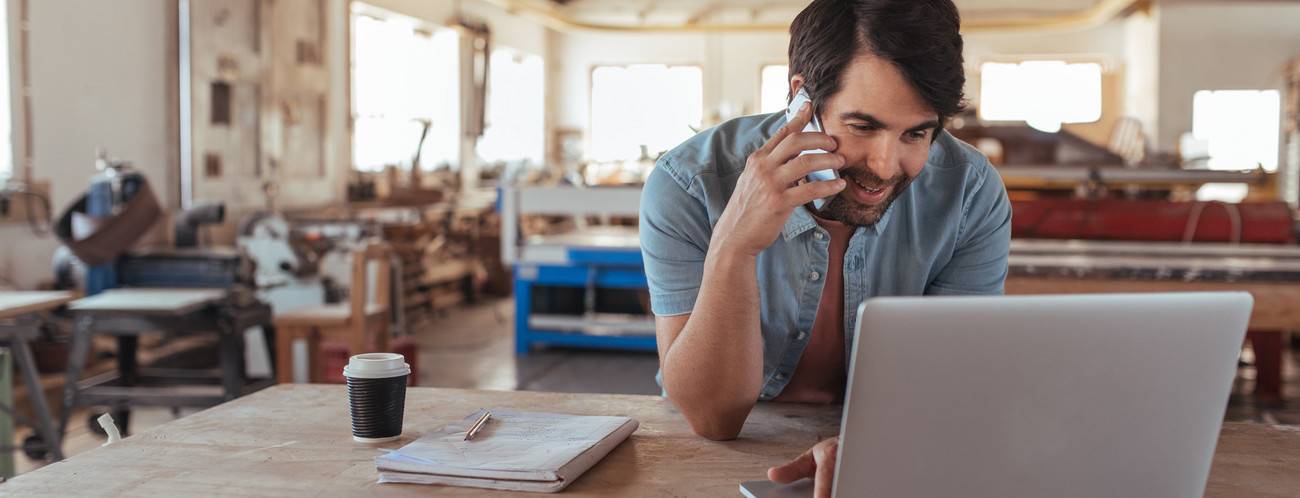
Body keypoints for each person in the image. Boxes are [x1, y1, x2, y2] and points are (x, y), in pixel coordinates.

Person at [638, 0, 1011, 495]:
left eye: (916, 133)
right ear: (801, 99)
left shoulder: (969, 191)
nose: (884, 165)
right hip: (718, 457)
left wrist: (876, 444)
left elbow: (953, 389)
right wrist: (734, 247)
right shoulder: (689, 183)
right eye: (863, 126)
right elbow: (712, 418)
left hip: (891, 451)